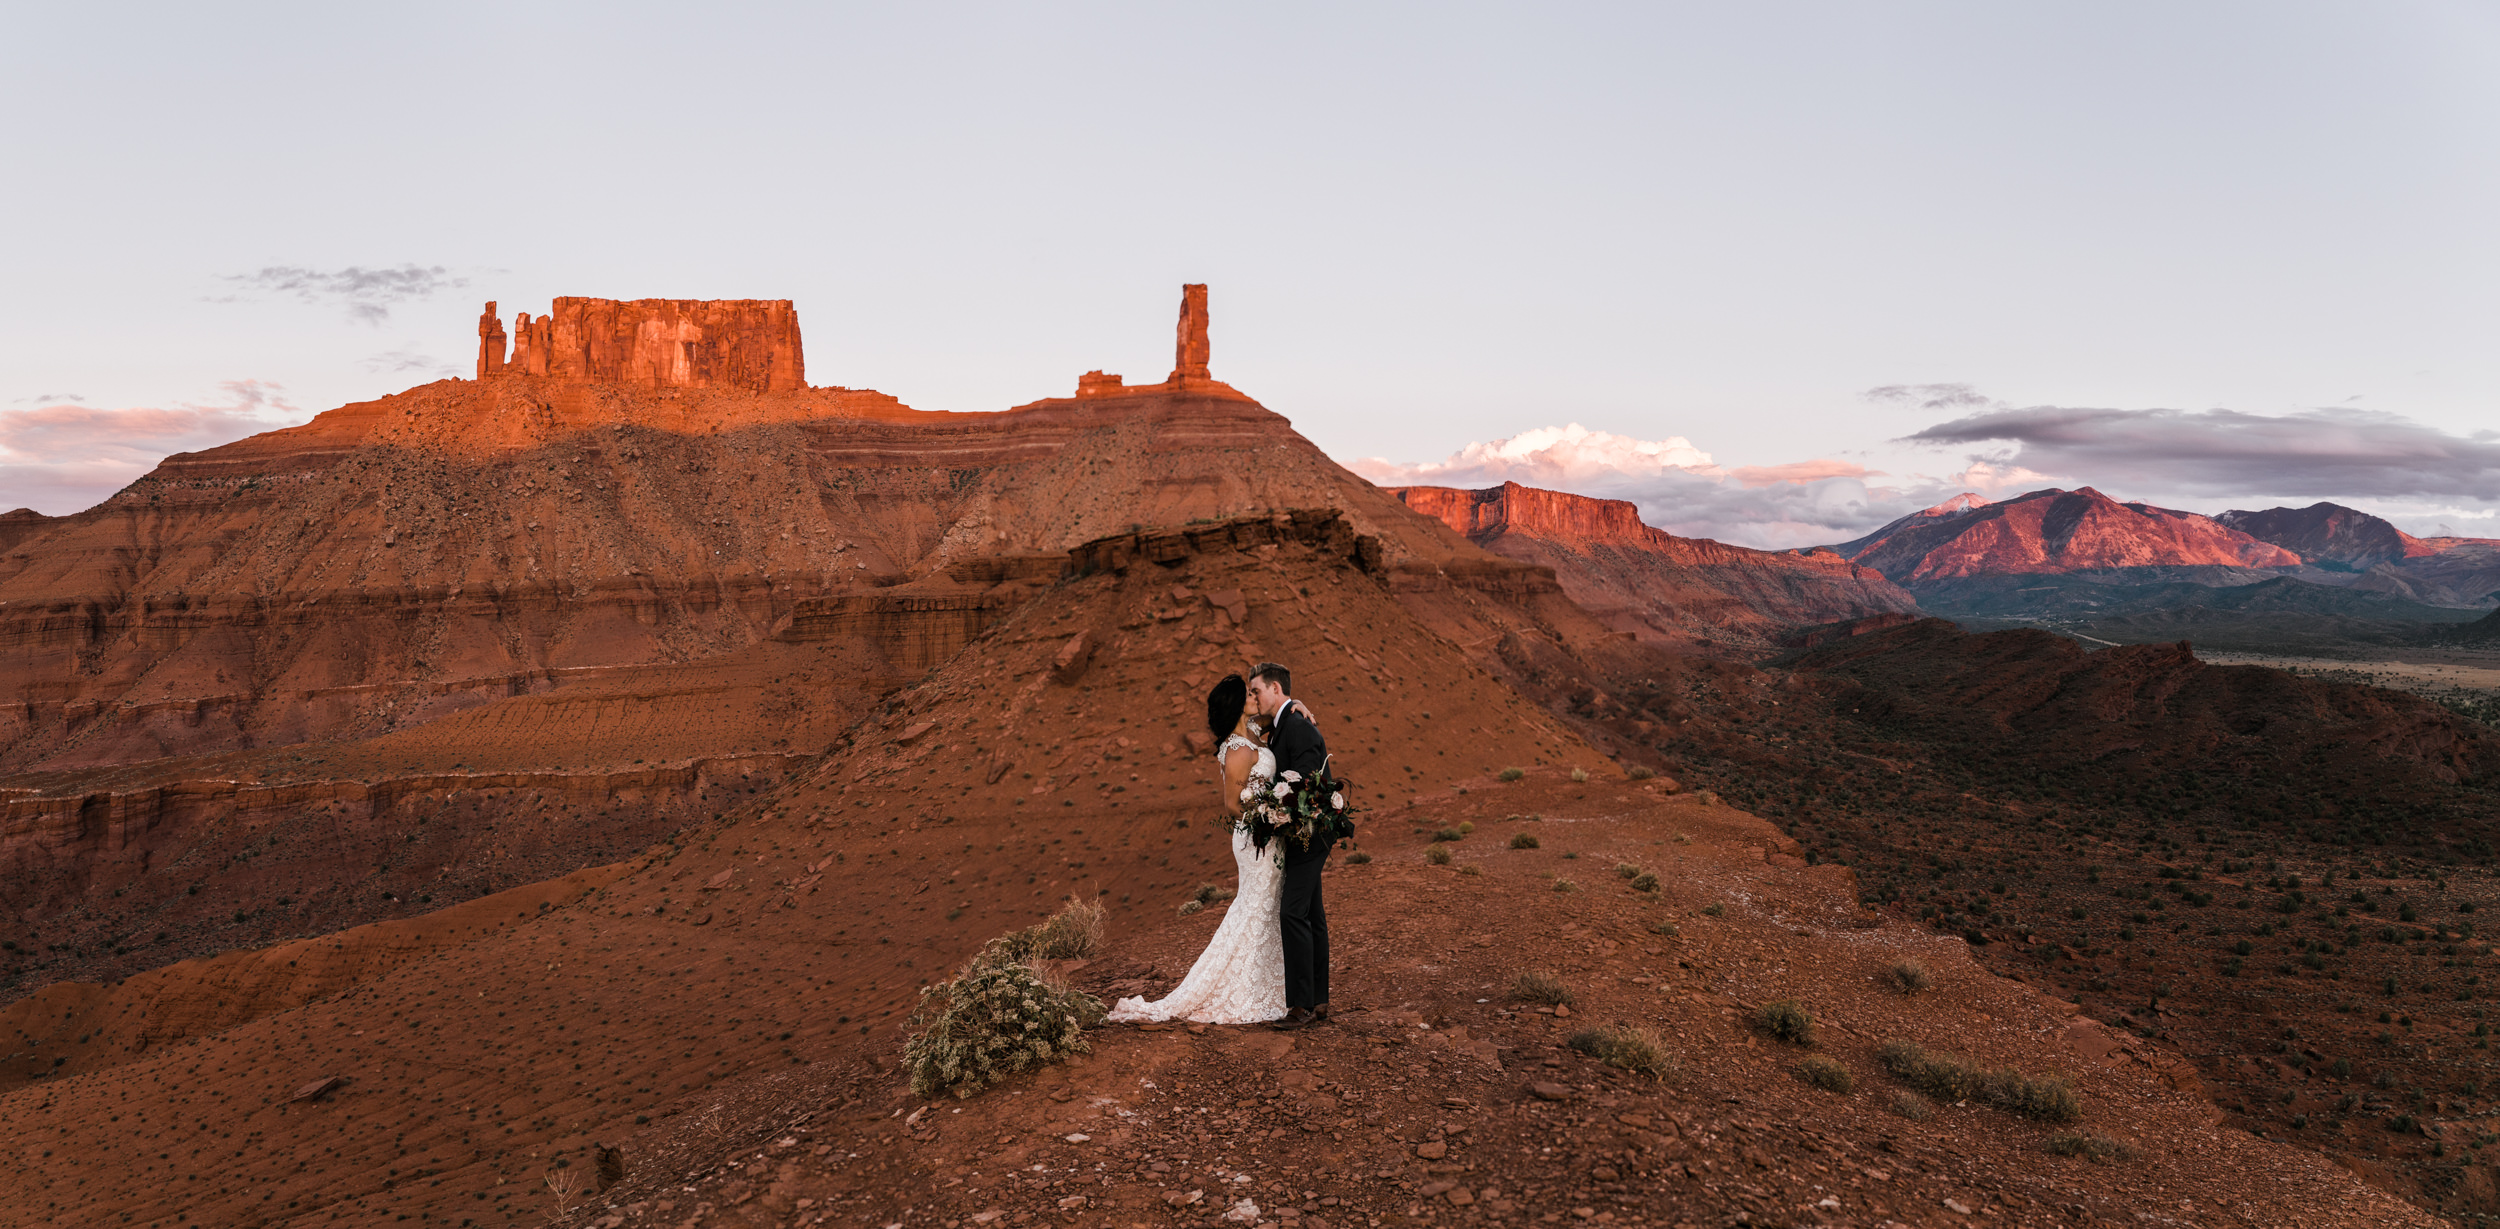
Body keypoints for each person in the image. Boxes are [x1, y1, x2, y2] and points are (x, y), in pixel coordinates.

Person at [1105, 675, 1287, 1025]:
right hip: (1255, 837)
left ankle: (1268, 983)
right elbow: (1233, 804)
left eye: (1253, 692)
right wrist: (1267, 818)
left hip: (1269, 835)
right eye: (1247, 694)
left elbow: (1279, 713)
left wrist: (1300, 707)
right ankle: (1242, 989)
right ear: (1235, 705)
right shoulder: (1236, 748)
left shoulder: (1252, 733)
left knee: (1266, 907)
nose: (1253, 697)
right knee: (1256, 907)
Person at [1248, 662, 1333, 1030]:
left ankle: (1299, 1006)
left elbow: (1309, 779)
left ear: (1276, 689)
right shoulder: (1282, 723)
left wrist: (1275, 809)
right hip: (1301, 835)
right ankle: (1318, 1000)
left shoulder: (1296, 725)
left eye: (1257, 691)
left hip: (1310, 834)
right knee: (1312, 916)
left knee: (1292, 913)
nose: (1253, 697)